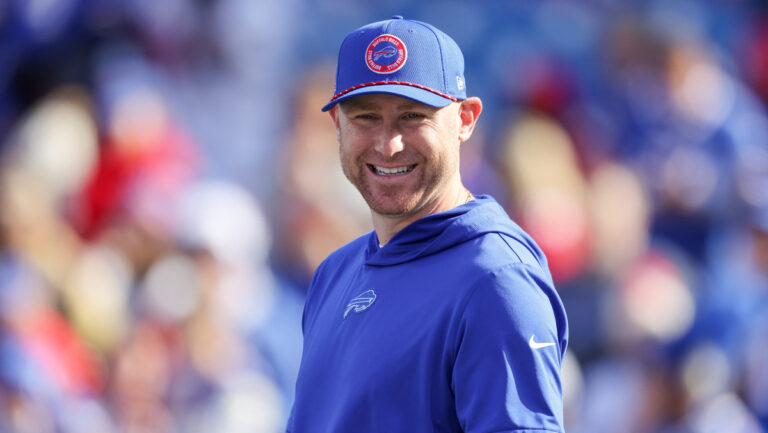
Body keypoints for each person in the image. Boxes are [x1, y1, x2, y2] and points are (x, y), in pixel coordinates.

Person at [287, 16, 568, 433]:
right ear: (337, 127)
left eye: (413, 116)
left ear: (466, 119)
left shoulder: (496, 280)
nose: (388, 144)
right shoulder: (335, 272)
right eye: (365, 117)